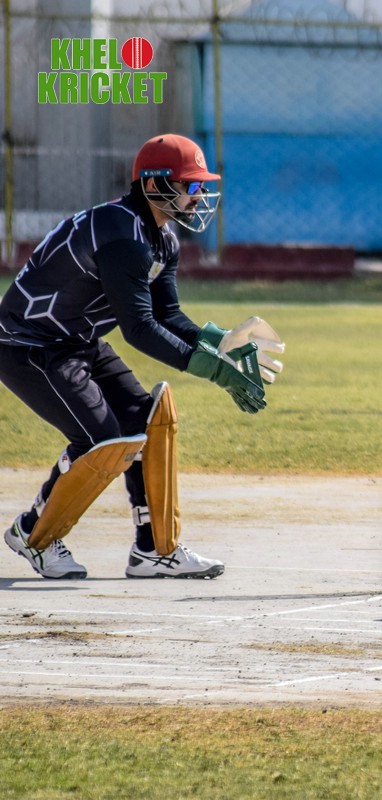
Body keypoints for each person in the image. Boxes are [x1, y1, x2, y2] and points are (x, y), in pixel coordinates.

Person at [0, 133, 278, 580]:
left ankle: (153, 551)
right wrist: (212, 371)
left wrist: (220, 344)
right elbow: (139, 329)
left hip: (78, 341)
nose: (199, 195)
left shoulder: (162, 238)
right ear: (153, 185)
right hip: (29, 344)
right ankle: (33, 532)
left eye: (201, 185)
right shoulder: (121, 234)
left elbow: (168, 314)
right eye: (190, 185)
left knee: (143, 424)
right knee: (100, 441)